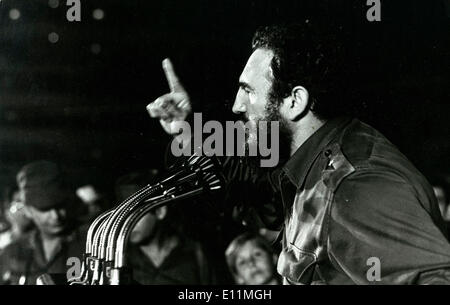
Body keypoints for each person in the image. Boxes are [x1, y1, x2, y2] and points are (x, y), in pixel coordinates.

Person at [147, 22, 450, 284]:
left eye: (249, 91)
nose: (237, 106)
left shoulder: (355, 185)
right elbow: (256, 187)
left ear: (295, 101)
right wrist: (187, 130)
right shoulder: (313, 164)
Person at [115, 171, 217, 285]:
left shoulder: (196, 254)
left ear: (160, 212)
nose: (128, 223)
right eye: (124, 216)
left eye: (136, 214)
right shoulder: (120, 259)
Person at [0, 160, 87, 285]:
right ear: (28, 210)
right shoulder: (13, 252)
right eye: (45, 209)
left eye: (60, 206)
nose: (55, 216)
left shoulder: (91, 243)